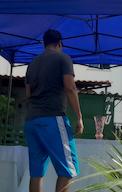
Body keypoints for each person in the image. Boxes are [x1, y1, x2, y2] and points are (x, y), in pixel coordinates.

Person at [25, 29, 84, 192]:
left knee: (36, 172)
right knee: (68, 168)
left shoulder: (32, 64)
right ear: (60, 44)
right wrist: (79, 117)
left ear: (44, 44)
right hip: (52, 117)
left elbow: (28, 94)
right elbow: (70, 88)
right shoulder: (63, 58)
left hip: (31, 120)